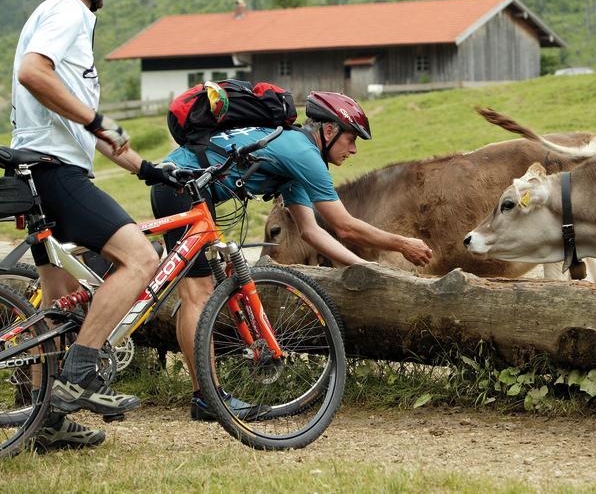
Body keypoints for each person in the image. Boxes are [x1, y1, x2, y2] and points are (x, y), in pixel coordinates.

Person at [149, 90, 433, 420]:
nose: (354, 149)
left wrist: (366, 267)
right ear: (329, 131)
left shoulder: (291, 156)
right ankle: (207, 398)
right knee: (197, 294)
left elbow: (313, 232)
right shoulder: (302, 152)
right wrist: (402, 244)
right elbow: (345, 226)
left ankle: (206, 396)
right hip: (181, 186)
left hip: (185, 185)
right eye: (351, 138)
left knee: (197, 291)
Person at [11, 0, 179, 449]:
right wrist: (92, 121)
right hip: (55, 170)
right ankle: (81, 375)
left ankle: (45, 424)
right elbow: (31, 73)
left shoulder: (51, 15)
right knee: (140, 258)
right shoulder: (69, 13)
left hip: (40, 168)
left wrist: (144, 166)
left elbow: (90, 122)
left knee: (56, 312)